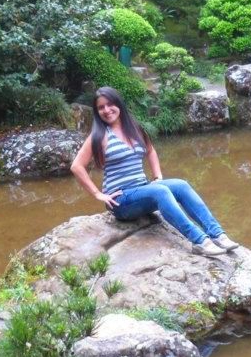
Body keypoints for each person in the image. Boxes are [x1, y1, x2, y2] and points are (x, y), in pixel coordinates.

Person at [70, 86, 238, 258]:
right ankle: (200, 241)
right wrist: (98, 194)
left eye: (109, 104)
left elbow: (150, 151)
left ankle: (218, 234)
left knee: (181, 185)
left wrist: (157, 176)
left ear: (118, 104)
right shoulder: (99, 136)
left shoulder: (134, 129)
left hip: (142, 190)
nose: (106, 110)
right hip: (121, 200)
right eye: (101, 107)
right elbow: (76, 166)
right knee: (160, 191)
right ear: (97, 112)